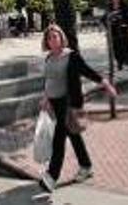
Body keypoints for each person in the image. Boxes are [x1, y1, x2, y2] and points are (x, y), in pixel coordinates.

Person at [37, 24, 118, 195]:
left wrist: (106, 85)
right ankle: (86, 166)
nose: (52, 40)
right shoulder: (49, 58)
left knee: (59, 138)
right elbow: (48, 80)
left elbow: (88, 71)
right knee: (73, 135)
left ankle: (51, 177)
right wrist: (45, 97)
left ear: (61, 38)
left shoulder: (71, 56)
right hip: (55, 103)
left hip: (69, 102)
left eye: (55, 36)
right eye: (49, 38)